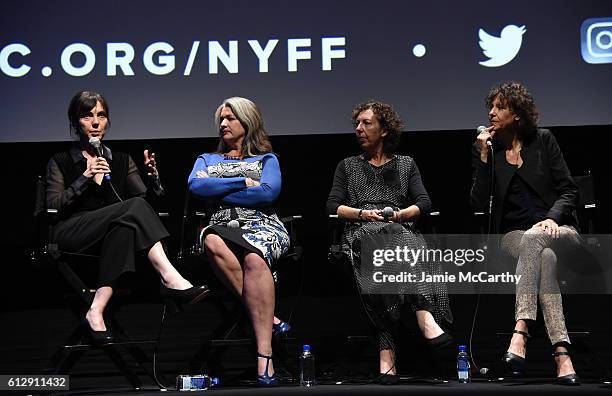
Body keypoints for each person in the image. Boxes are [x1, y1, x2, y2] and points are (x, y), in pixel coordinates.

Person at [46, 91, 210, 344]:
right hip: (71, 234)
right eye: (87, 116)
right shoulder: (61, 161)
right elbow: (53, 207)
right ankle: (169, 278)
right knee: (131, 210)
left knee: (125, 229)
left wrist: (153, 178)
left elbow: (144, 206)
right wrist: (84, 178)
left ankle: (95, 310)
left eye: (101, 115)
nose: (95, 122)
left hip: (108, 238)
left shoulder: (121, 161)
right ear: (75, 121)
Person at [327, 101, 453, 384]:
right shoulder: (347, 166)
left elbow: (424, 202)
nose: (358, 129)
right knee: (384, 245)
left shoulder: (406, 164)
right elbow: (333, 207)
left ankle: (388, 351)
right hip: (361, 231)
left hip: (398, 229)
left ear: (384, 130)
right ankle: (424, 318)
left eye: (366, 123)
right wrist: (362, 214)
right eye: (356, 124)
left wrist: (400, 214)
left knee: (402, 244)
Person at [471, 82, 580, 385]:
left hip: (561, 230)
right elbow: (478, 203)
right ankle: (562, 353)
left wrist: (552, 218)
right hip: (513, 236)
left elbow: (569, 190)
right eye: (490, 107)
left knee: (541, 244)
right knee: (539, 251)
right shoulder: (489, 150)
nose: (491, 113)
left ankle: (521, 331)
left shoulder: (543, 141)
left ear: (517, 114)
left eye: (500, 107)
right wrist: (482, 157)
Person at [188, 97, 290, 387]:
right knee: (211, 240)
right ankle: (271, 319)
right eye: (221, 119)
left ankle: (264, 355)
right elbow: (196, 185)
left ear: (247, 122)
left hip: (263, 224)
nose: (223, 124)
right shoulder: (206, 160)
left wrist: (217, 188)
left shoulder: (266, 160)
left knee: (255, 258)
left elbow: (268, 194)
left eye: (230, 118)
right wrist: (244, 182)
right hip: (221, 225)